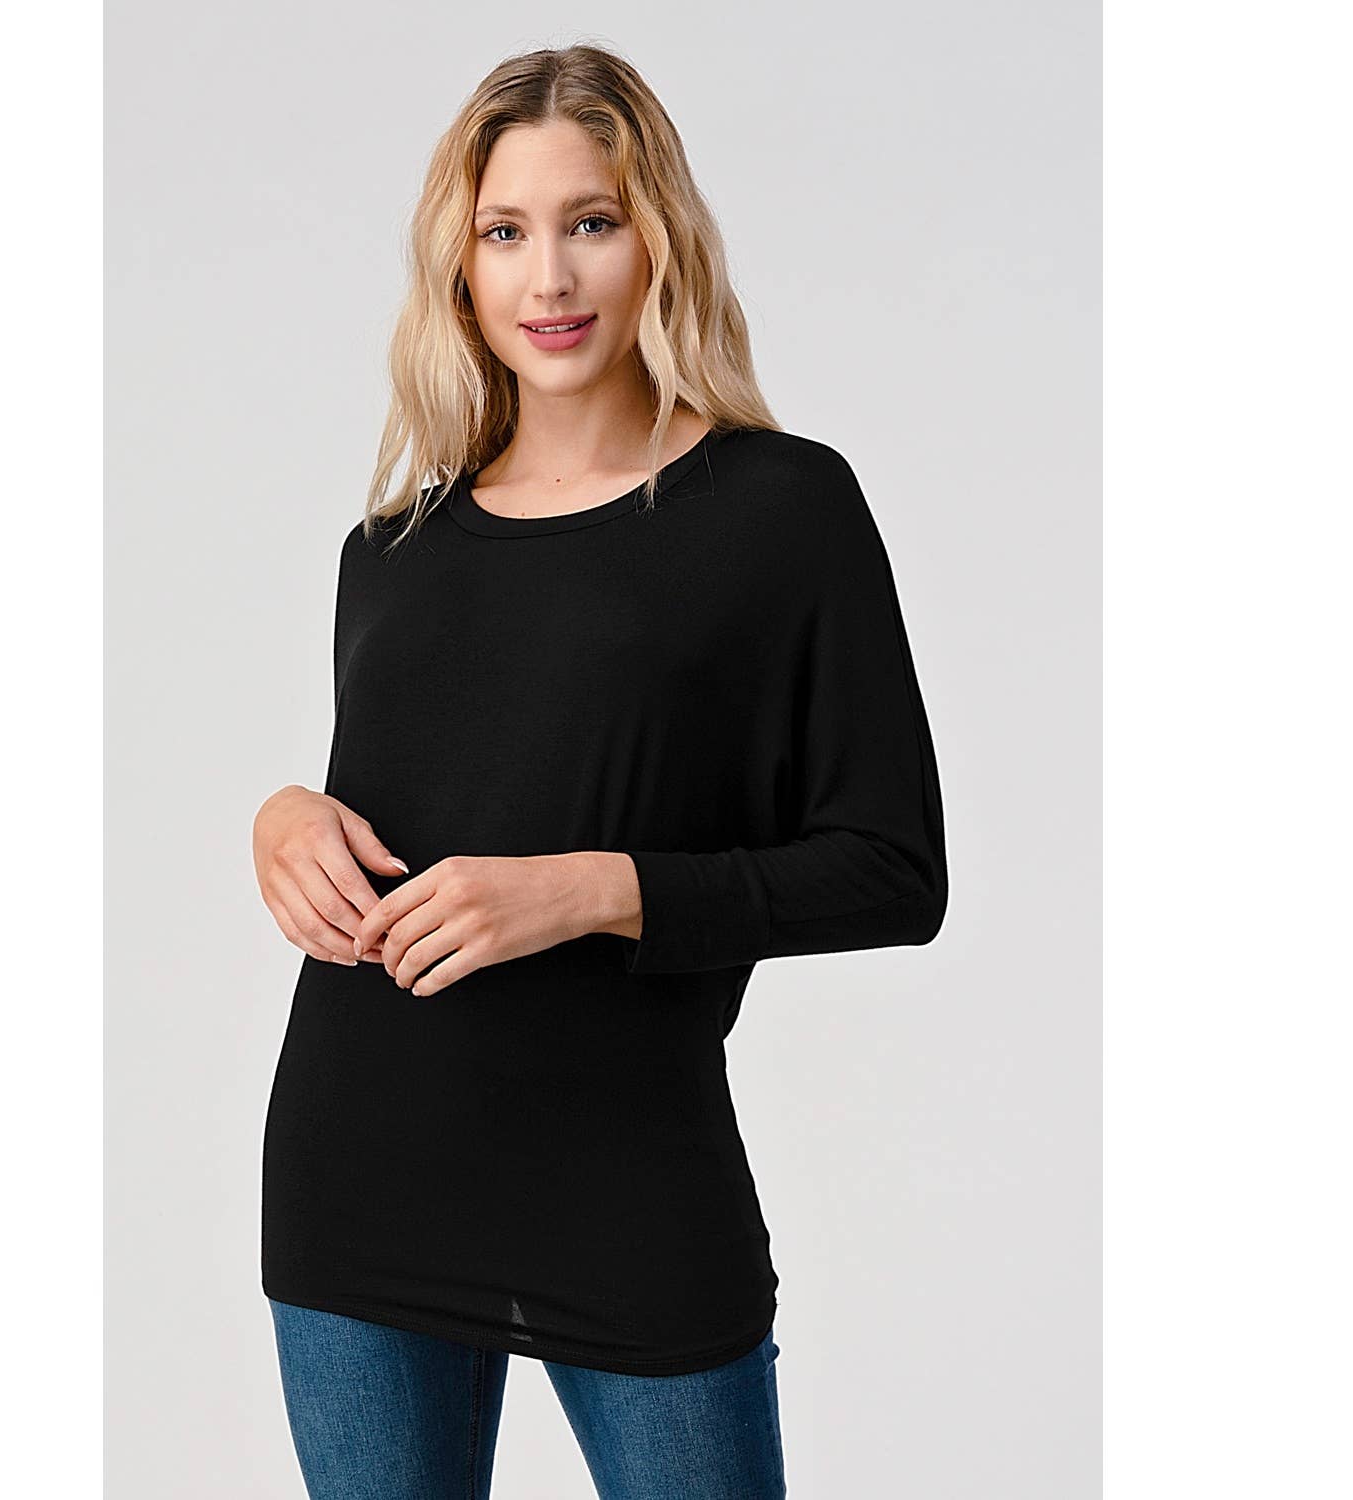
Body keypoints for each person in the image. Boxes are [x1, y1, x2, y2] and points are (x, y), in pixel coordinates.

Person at [251, 41, 947, 1500]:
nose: (550, 277)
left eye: (591, 222)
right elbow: (412, 813)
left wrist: (594, 891)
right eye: (505, 232)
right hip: (359, 1177)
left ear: (660, 240)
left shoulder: (783, 508)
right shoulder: (391, 551)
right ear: (459, 269)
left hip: (632, 1186)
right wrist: (286, 820)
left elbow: (892, 871)